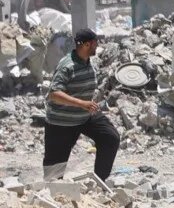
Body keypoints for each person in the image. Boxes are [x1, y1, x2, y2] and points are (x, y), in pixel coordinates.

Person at [41, 28, 119, 183]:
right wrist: (82, 103)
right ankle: (53, 196)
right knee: (54, 174)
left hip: (84, 116)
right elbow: (54, 93)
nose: (97, 46)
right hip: (62, 122)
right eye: (95, 43)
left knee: (110, 137)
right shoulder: (67, 66)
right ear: (86, 45)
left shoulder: (86, 61)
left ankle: (99, 181)